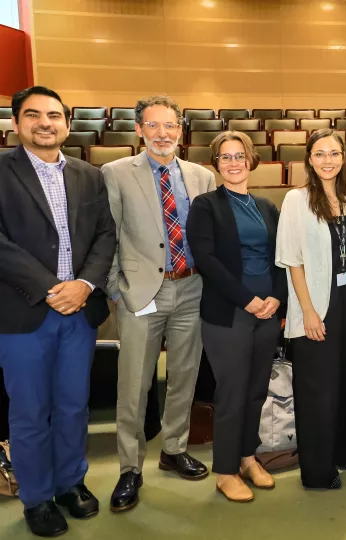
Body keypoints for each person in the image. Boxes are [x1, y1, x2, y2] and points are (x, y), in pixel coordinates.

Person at [0, 86, 116, 537]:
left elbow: (105, 235)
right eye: (33, 115)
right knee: (30, 411)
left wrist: (84, 285)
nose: (45, 122)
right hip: (23, 313)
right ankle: (36, 497)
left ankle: (71, 482)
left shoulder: (90, 174)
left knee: (73, 406)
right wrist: (53, 288)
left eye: (54, 114)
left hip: (80, 313)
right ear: (16, 123)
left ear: (67, 123)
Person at [102, 95, 216, 512]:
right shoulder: (114, 173)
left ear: (181, 131)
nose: (163, 134)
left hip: (192, 289)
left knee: (184, 377)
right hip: (140, 294)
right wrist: (116, 289)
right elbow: (107, 236)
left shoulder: (203, 176)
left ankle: (174, 449)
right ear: (139, 129)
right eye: (153, 125)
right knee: (134, 386)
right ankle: (130, 468)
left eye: (170, 126)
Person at [185, 131, 286, 502]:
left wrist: (276, 297)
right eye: (225, 157)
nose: (233, 163)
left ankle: (247, 456)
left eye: (239, 156)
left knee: (257, 391)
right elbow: (207, 261)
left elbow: (281, 258)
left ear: (251, 160)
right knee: (232, 392)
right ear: (216, 164)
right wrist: (249, 300)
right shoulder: (205, 205)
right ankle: (225, 471)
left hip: (268, 312)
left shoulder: (266, 207)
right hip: (228, 312)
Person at [276, 129, 346, 489]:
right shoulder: (296, 200)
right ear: (309, 160)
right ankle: (318, 470)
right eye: (320, 154)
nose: (327, 160)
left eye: (334, 153)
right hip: (315, 303)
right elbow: (291, 261)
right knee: (318, 391)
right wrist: (309, 312)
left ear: (343, 158)